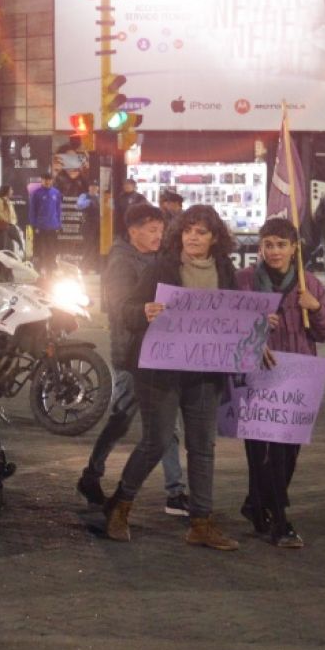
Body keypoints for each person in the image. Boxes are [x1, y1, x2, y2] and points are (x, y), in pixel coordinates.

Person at [101, 205, 241, 549]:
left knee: (202, 447)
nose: (193, 237)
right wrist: (143, 312)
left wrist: (256, 324)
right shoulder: (162, 267)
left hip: (206, 371)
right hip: (160, 370)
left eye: (201, 232)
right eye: (188, 230)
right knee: (157, 440)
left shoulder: (224, 269)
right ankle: (120, 505)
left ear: (215, 238)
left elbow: (236, 311)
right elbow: (125, 310)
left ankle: (201, 522)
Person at [79, 203, 187, 514]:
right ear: (133, 231)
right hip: (130, 354)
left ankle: (175, 491)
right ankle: (92, 474)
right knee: (123, 417)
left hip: (160, 350)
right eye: (151, 229)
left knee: (167, 425)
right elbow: (120, 309)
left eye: (160, 228)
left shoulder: (159, 257)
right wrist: (144, 311)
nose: (158, 234)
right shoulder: (122, 262)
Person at [236, 218, 325, 547]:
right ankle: (280, 521)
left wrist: (317, 308)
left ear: (294, 248)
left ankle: (256, 504)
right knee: (262, 452)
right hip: (257, 374)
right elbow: (229, 325)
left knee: (288, 451)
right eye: (268, 244)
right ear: (260, 247)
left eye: (281, 244)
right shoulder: (245, 282)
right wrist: (255, 327)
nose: (275, 251)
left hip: (297, 377)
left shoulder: (310, 285)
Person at [0, 185, 22, 283]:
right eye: (11, 190)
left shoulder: (8, 202)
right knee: (0, 253)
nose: (12, 191)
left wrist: (13, 224)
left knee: (8, 252)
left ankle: (7, 275)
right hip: (0, 230)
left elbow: (13, 216)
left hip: (8, 229)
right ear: (6, 191)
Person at [29, 170, 62, 267]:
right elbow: (32, 210)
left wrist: (59, 224)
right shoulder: (36, 193)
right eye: (45, 180)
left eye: (49, 180)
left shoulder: (56, 193)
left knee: (52, 248)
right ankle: (40, 267)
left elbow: (58, 209)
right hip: (40, 226)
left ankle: (51, 265)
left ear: (52, 181)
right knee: (40, 248)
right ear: (41, 181)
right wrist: (33, 225)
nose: (47, 182)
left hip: (53, 226)